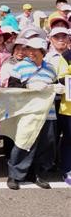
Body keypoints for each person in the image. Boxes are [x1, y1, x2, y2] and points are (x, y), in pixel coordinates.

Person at [6, 38, 57, 189]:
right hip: (28, 112)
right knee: (24, 142)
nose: (31, 53)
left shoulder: (51, 69)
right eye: (29, 49)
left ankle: (37, 173)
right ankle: (14, 175)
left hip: (49, 112)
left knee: (45, 144)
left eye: (35, 50)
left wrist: (57, 89)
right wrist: (28, 85)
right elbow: (12, 87)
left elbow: (54, 87)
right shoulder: (19, 67)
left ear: (43, 52)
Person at [44, 27, 71, 185]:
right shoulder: (47, 57)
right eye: (57, 37)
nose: (61, 39)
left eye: (64, 36)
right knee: (52, 135)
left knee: (68, 136)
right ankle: (50, 164)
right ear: (51, 39)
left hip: (67, 103)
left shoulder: (67, 55)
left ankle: (64, 166)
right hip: (53, 101)